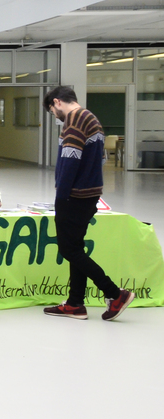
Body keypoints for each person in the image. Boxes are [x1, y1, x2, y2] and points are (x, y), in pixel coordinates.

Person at [42, 86, 135, 321]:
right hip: (89, 194)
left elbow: (70, 159)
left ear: (57, 102)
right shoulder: (90, 117)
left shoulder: (73, 120)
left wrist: (61, 195)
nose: (55, 115)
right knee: (75, 249)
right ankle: (75, 304)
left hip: (75, 196)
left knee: (69, 249)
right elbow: (101, 157)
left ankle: (115, 293)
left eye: (52, 110)